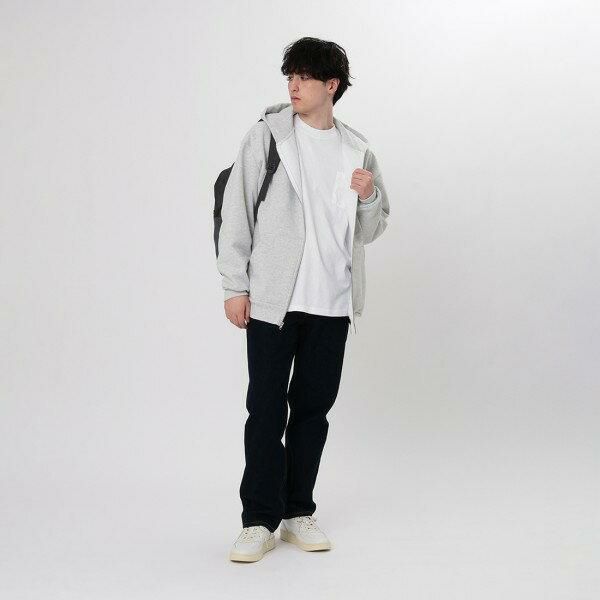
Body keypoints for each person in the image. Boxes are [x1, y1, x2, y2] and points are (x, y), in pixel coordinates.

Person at [216, 37, 390, 562]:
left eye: (304, 77)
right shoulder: (267, 137)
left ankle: (297, 512)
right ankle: (258, 520)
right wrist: (235, 286)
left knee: (312, 413)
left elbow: (372, 229)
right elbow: (237, 211)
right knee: (265, 412)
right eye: (289, 76)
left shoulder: (357, 149)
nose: (293, 85)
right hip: (273, 301)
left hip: (332, 303)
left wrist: (369, 196)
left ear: (331, 85)